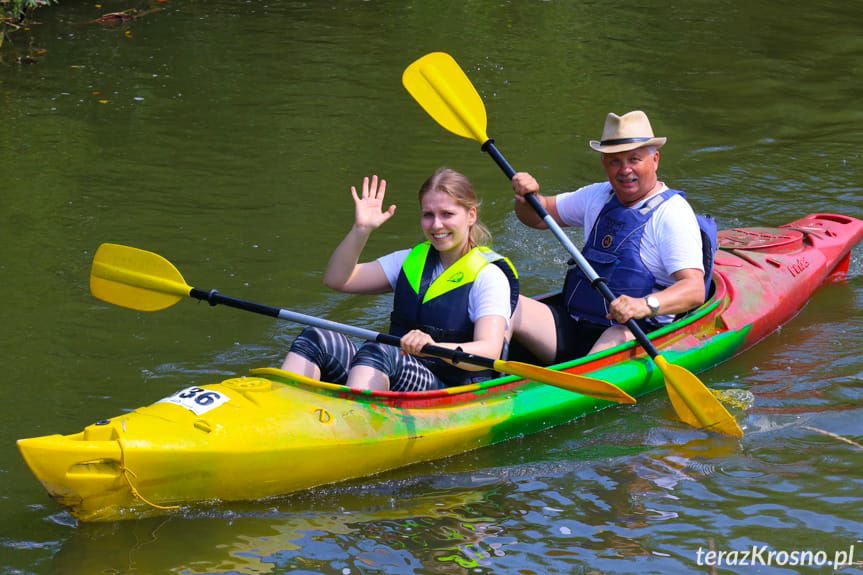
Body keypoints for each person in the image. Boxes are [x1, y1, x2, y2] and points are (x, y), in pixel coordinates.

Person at [281, 168, 519, 392]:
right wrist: (361, 229)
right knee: (315, 337)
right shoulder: (408, 261)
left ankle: (353, 422)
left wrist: (433, 349)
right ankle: (284, 409)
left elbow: (489, 352)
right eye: (428, 215)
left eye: (447, 214)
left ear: (471, 215)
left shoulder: (489, 276)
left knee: (381, 350)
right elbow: (338, 280)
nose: (436, 225)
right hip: (393, 369)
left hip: (451, 389)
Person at [510, 110, 712, 364]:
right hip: (577, 324)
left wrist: (643, 305)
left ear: (655, 160)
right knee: (509, 305)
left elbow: (694, 290)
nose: (625, 170)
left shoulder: (673, 214)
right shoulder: (597, 195)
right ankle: (479, 379)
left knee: (617, 333)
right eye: (615, 161)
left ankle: (571, 391)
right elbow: (537, 215)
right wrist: (526, 196)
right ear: (604, 164)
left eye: (634, 159)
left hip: (636, 332)